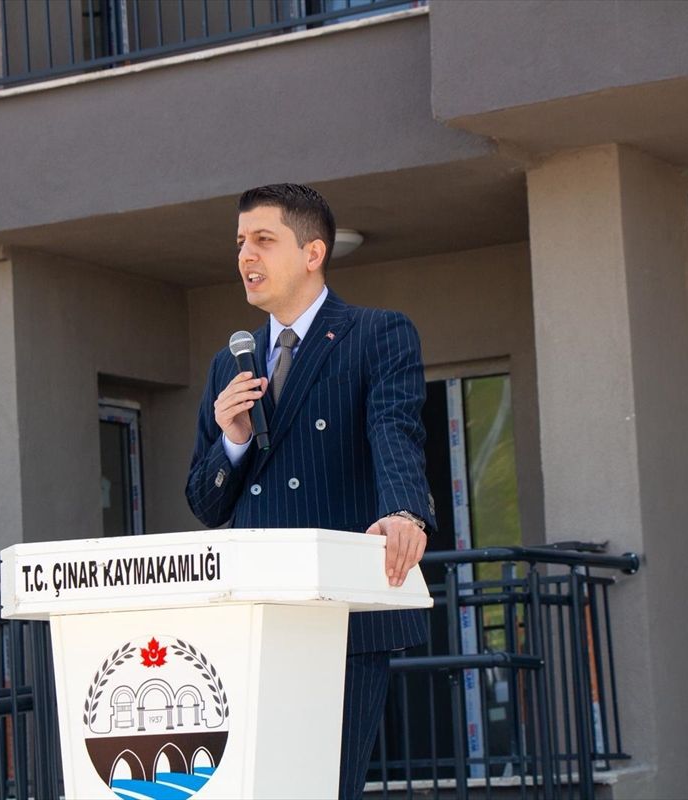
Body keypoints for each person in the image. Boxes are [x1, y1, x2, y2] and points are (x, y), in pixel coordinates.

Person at [186, 183, 434, 800]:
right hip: (254, 615)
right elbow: (206, 504)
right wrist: (234, 440)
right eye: (240, 242)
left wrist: (404, 512)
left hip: (337, 609)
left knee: (325, 786)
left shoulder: (376, 334)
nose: (246, 255)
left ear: (313, 252)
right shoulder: (230, 362)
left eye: (264, 240)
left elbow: (395, 429)